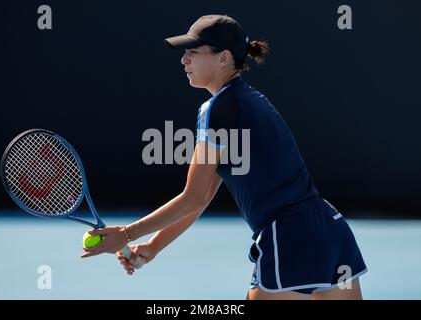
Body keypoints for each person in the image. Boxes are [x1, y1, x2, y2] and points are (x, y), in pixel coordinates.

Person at [81, 14, 367, 300]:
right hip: (331, 231)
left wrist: (127, 234)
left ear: (223, 58)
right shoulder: (249, 100)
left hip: (288, 237)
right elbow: (203, 197)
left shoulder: (218, 108)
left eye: (193, 51)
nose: (184, 60)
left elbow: (192, 197)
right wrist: (153, 246)